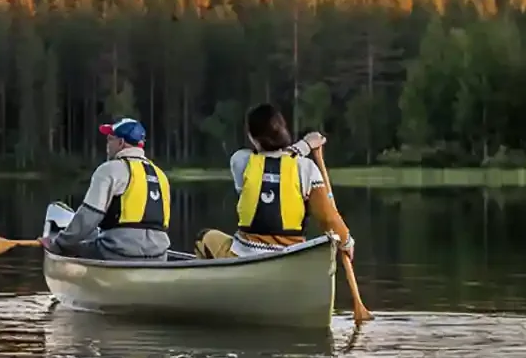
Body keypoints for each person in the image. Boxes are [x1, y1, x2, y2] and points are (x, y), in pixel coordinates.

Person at [195, 103, 355, 262]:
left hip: (243, 255)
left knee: (204, 237)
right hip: (292, 256)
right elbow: (328, 218)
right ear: (283, 131)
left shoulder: (240, 161)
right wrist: (346, 242)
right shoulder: (306, 168)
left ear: (251, 137)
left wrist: (303, 146)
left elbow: (273, 159)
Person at [44, 118, 173, 260]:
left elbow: (89, 217)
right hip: (158, 255)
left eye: (110, 140)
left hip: (118, 252)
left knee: (69, 247)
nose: (107, 145)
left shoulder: (110, 169)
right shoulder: (161, 175)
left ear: (121, 143)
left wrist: (58, 244)